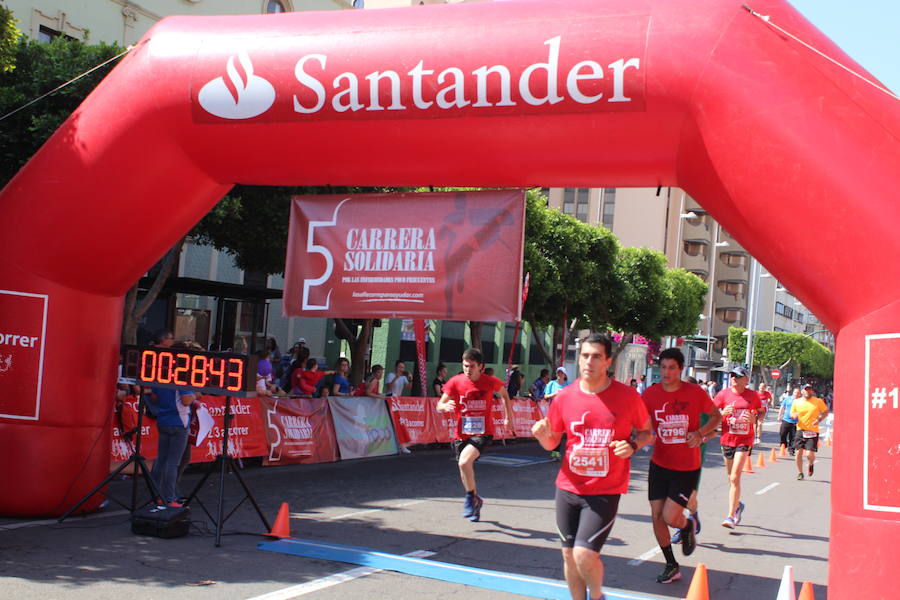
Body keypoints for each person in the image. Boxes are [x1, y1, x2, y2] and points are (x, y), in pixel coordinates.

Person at [532, 333, 653, 600]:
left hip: (604, 491)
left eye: (597, 356)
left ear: (608, 361)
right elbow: (552, 443)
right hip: (567, 488)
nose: (589, 361)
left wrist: (632, 445)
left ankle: (597, 596)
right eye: (585, 355)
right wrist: (542, 435)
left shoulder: (627, 397)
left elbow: (646, 432)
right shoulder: (564, 397)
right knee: (568, 555)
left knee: (584, 553)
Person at [642, 348, 722, 584]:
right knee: (656, 516)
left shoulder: (695, 393)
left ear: (681, 369)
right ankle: (671, 565)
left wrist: (700, 433)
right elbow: (640, 422)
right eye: (663, 367)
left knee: (669, 516)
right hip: (659, 463)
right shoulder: (650, 394)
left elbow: (717, 417)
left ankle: (687, 525)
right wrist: (644, 435)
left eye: (672, 368)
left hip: (686, 467)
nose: (667, 372)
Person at [436, 348, 512, 523]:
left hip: (483, 432)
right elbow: (440, 404)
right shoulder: (456, 382)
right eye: (465, 366)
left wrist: (509, 418)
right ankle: (475, 498)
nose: (467, 370)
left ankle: (470, 498)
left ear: (481, 367)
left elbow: (505, 396)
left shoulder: (490, 381)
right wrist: (444, 407)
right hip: (461, 433)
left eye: (471, 366)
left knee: (464, 461)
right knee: (464, 467)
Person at [146, 330, 195, 507]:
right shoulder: (182, 374)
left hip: (163, 420)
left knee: (161, 459)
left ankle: (156, 494)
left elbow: (153, 396)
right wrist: (195, 396)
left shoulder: (162, 373)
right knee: (172, 463)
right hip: (178, 422)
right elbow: (186, 399)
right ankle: (169, 498)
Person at [713, 366, 763, 529]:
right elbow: (710, 413)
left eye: (738, 376)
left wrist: (754, 419)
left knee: (735, 477)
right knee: (730, 478)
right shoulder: (723, 394)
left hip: (744, 440)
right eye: (732, 375)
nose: (733, 378)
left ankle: (730, 515)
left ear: (746, 380)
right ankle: (738, 505)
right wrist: (722, 414)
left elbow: (761, 412)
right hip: (727, 439)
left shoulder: (753, 396)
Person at [791, 385, 829, 480]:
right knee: (798, 452)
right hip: (800, 430)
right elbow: (792, 413)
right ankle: (800, 473)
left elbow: (825, 412)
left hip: (812, 431)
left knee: (809, 454)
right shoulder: (796, 402)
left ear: (812, 391)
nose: (808, 391)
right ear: (802, 391)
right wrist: (794, 415)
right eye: (806, 389)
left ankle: (811, 464)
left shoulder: (818, 401)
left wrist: (819, 420)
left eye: (810, 389)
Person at [544, 367, 570, 459]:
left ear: (564, 375)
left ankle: (556, 451)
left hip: (563, 411)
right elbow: (546, 396)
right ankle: (554, 450)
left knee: (559, 432)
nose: (559, 375)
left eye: (561, 373)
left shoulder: (568, 385)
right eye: (558, 373)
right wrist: (555, 394)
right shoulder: (551, 383)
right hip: (553, 410)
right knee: (553, 431)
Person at [778, 388, 801, 456]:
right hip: (786, 419)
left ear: (800, 394)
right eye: (795, 392)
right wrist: (780, 415)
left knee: (793, 436)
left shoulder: (801, 401)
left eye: (797, 393)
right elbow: (782, 407)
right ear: (793, 392)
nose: (796, 394)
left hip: (795, 421)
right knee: (782, 433)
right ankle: (784, 444)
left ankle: (791, 449)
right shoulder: (788, 399)